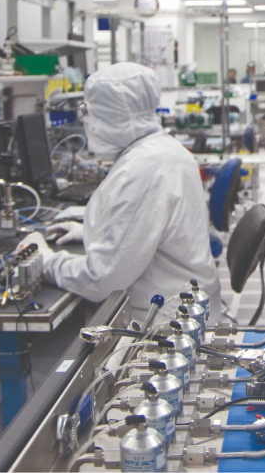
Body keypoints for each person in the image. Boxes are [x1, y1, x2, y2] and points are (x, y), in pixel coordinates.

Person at [19, 62, 221, 323]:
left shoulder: (143, 168)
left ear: (112, 114)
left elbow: (100, 279)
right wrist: (87, 232)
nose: (85, 119)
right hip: (184, 305)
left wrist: (43, 260)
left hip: (160, 325)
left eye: (88, 110)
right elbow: (150, 229)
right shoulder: (164, 149)